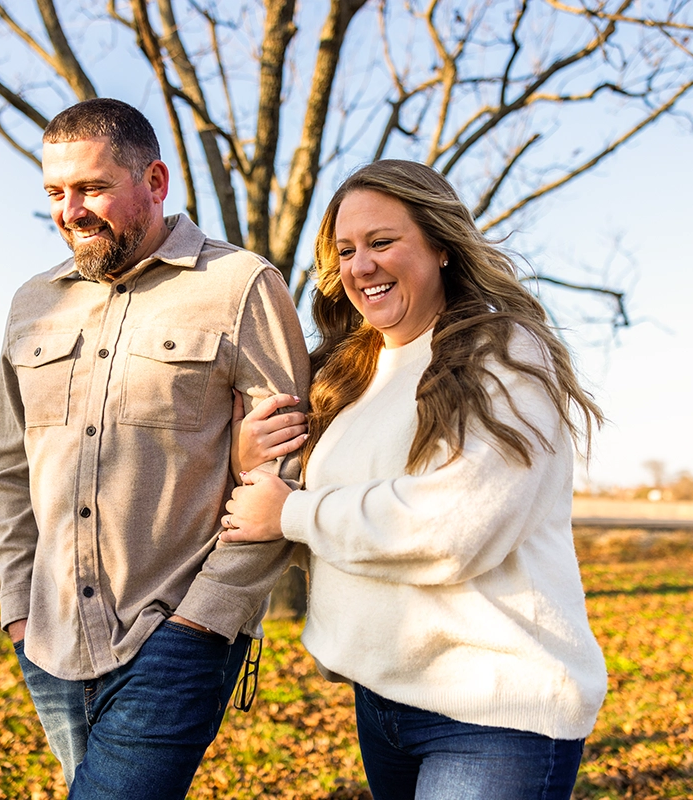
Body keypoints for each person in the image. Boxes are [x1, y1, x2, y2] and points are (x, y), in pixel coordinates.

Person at [222, 160, 608, 800]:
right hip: (382, 701)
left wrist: (291, 513)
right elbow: (309, 515)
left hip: (493, 709)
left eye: (381, 243)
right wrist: (247, 462)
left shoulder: (503, 353)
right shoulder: (348, 373)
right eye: (345, 250)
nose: (360, 266)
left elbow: (453, 527)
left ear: (442, 246)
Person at [0, 97, 310, 798]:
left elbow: (286, 463)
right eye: (55, 193)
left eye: (92, 188)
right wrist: (17, 606)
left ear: (154, 181)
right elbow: (7, 470)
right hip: (49, 636)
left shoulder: (242, 287)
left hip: (175, 634)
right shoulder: (31, 302)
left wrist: (204, 622)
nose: (71, 211)